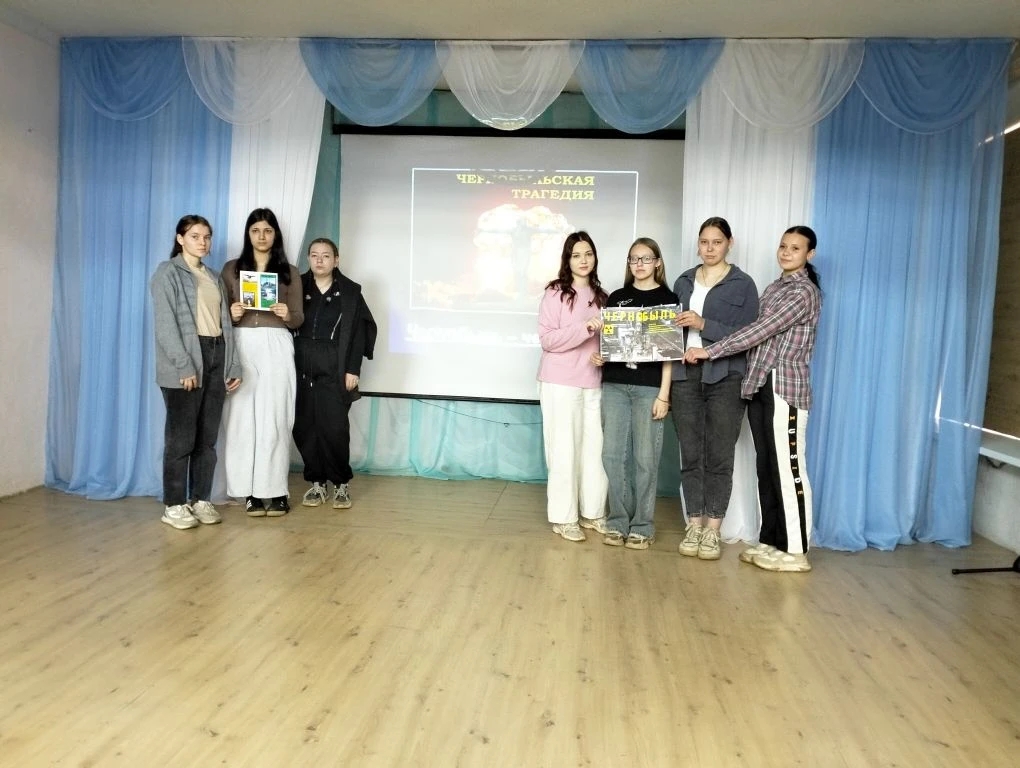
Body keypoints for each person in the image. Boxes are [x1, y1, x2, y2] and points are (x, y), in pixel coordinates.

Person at [684, 226, 822, 572]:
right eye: (783, 246)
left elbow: (760, 331)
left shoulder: (803, 292)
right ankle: (773, 541)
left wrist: (710, 350)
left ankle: (796, 550)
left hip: (785, 387)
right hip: (760, 383)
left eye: (795, 248)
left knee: (789, 469)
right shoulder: (775, 287)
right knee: (767, 466)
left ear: (809, 254)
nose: (786, 252)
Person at [671, 217, 759, 561]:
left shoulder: (743, 284)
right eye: (704, 242)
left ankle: (713, 530)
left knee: (719, 455)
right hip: (685, 376)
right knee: (690, 453)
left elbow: (749, 335)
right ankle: (694, 525)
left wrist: (703, 324)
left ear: (729, 244)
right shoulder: (682, 281)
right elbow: (667, 332)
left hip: (726, 376)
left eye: (717, 242)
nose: (709, 248)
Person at [150, 215, 242, 530]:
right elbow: (166, 325)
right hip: (187, 358)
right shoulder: (168, 273)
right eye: (194, 236)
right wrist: (184, 365)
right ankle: (174, 505)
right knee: (181, 439)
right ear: (180, 239)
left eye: (206, 237)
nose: (202, 242)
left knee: (207, 438)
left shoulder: (214, 277)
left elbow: (226, 325)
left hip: (216, 353)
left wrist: (233, 364)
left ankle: (200, 499)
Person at [221, 208, 304, 517]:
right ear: (248, 234)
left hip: (277, 344)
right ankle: (249, 492)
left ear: (275, 234)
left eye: (268, 230)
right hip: (242, 343)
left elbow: (299, 317)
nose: (262, 236)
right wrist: (232, 314)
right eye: (255, 230)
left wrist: (287, 315)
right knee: (241, 419)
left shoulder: (289, 272)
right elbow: (220, 314)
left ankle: (276, 490)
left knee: (275, 418)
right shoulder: (231, 269)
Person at [597, 238, 678, 550]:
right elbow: (609, 341)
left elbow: (669, 354)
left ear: (657, 262)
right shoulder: (617, 298)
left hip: (649, 388)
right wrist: (601, 354)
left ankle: (643, 525)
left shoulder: (668, 299)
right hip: (614, 385)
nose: (639, 264)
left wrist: (664, 395)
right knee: (612, 455)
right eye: (633, 259)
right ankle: (618, 521)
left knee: (646, 458)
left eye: (646, 258)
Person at [293, 238, 377, 510]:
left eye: (326, 256)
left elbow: (360, 332)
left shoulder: (350, 291)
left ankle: (340, 484)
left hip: (335, 369)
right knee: (305, 428)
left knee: (335, 429)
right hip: (300, 369)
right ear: (308, 258)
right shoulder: (296, 287)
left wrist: (353, 369)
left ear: (336, 260)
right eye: (314, 255)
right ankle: (317, 483)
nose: (319, 260)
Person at [537, 232, 610, 542]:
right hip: (559, 383)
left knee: (595, 452)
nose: (583, 260)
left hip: (593, 382)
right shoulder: (555, 293)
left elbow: (609, 342)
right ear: (567, 260)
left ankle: (593, 513)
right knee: (563, 451)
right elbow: (547, 340)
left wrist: (604, 355)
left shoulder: (603, 296)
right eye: (576, 254)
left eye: (588, 254)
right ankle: (564, 518)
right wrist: (585, 327)